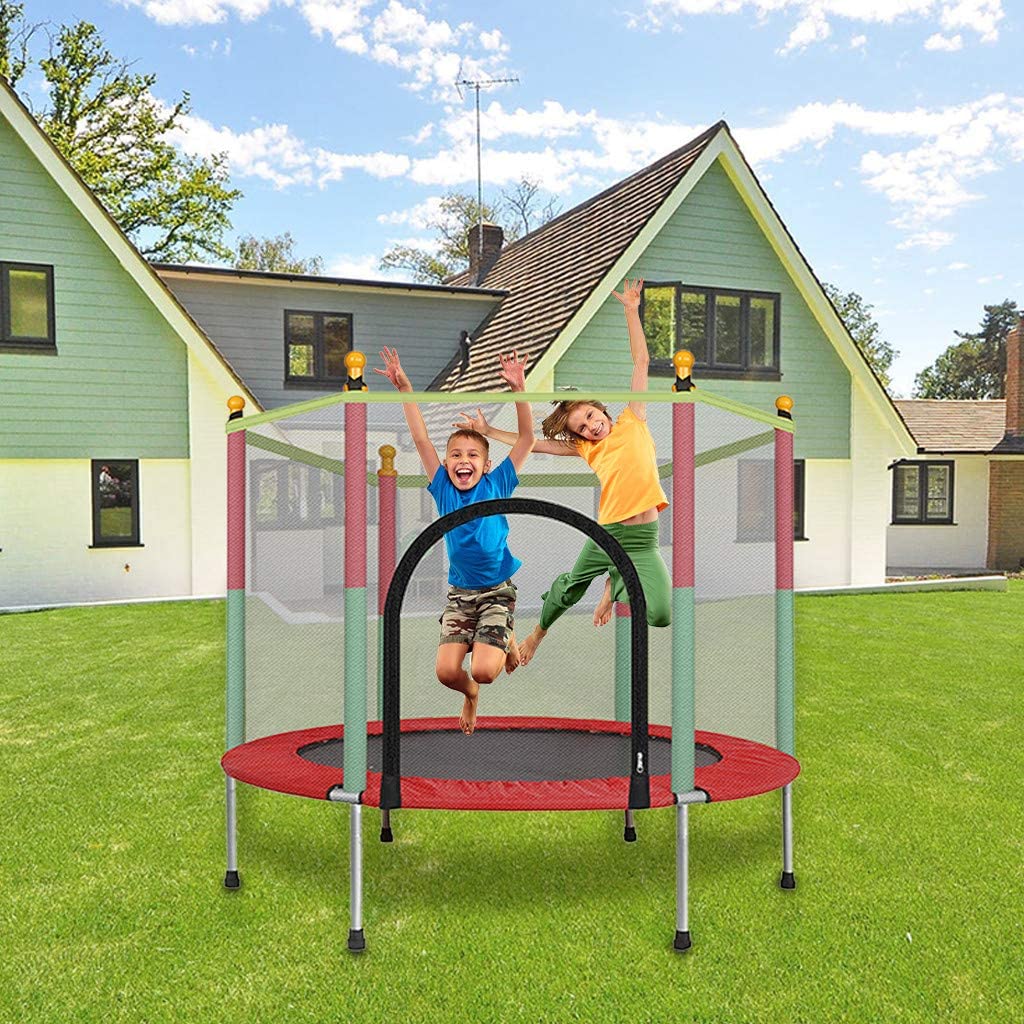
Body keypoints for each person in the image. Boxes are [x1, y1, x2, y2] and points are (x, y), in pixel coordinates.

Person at [456, 278, 670, 667]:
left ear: (601, 409)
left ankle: (615, 583)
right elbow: (531, 443)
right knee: (572, 588)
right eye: (583, 428)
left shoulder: (633, 419)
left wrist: (630, 311)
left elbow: (641, 361)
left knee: (659, 613)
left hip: (645, 536)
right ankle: (537, 634)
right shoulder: (586, 448)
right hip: (610, 530)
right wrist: (488, 431)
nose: (591, 427)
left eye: (591, 417)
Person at [374, 346, 534, 733]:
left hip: (496, 589)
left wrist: (519, 388)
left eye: (473, 454)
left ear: (486, 464)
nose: (464, 460)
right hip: (460, 594)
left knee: (485, 670)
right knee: (448, 672)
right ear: (446, 465)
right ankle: (470, 696)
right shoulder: (444, 488)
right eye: (456, 455)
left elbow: (527, 438)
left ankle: (504, 632)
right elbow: (421, 438)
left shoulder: (497, 483)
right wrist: (405, 388)